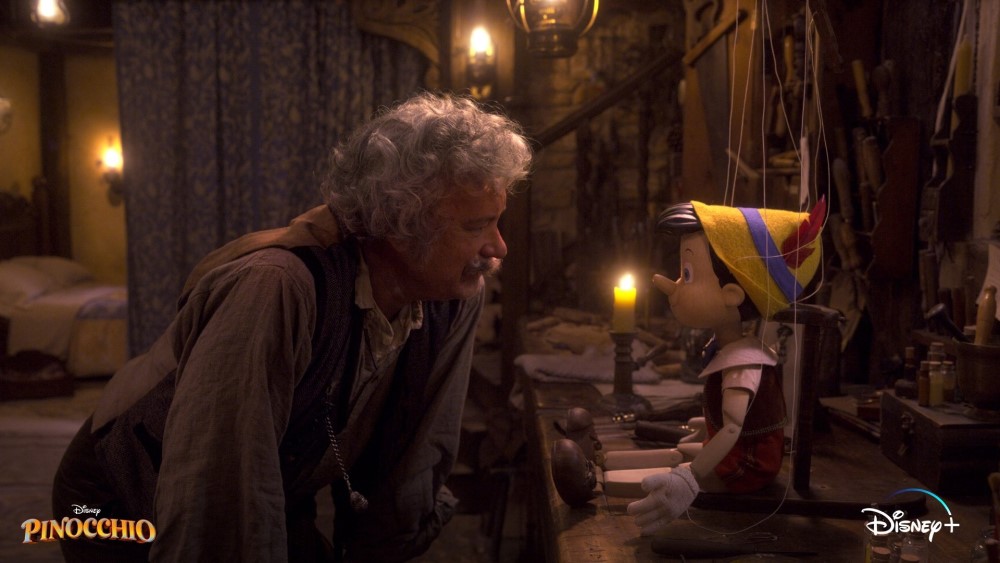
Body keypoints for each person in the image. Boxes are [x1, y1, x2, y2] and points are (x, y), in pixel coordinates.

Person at [51, 91, 533, 562]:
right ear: (402, 221)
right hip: (121, 499)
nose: (498, 247)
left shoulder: (454, 294)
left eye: (497, 223)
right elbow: (216, 491)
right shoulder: (276, 287)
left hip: (283, 479)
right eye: (475, 226)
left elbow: (418, 454)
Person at [627, 198, 825, 535]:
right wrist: (705, 427)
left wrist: (690, 478)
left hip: (749, 466)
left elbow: (733, 428)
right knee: (679, 452)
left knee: (678, 469)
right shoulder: (727, 348)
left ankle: (605, 480)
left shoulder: (743, 362)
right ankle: (603, 466)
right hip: (742, 450)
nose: (673, 285)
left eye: (687, 275)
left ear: (731, 294)